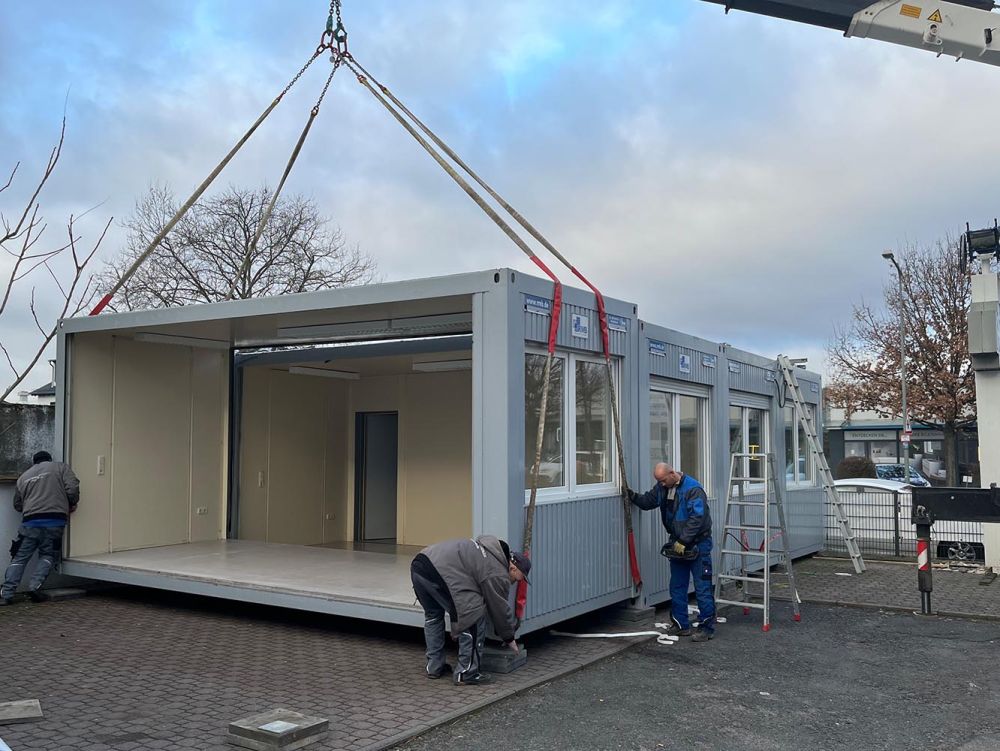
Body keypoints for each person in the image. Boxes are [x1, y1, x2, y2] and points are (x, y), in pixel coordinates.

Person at [410, 535, 530, 685]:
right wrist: (509, 637)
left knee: (433, 616)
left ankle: (434, 667)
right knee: (474, 617)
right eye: (517, 579)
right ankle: (467, 673)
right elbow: (498, 607)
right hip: (439, 572)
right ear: (513, 568)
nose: (514, 583)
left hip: (420, 565)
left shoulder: (487, 551)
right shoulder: (497, 571)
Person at [629, 462, 716, 642]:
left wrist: (683, 541)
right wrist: (631, 496)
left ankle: (706, 627)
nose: (660, 484)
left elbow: (697, 519)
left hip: (698, 545)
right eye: (658, 481)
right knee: (677, 586)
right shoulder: (663, 487)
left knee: (702, 587)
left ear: (671, 474)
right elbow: (648, 501)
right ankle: (680, 624)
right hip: (678, 544)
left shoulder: (693, 490)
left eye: (662, 480)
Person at [1, 451, 80, 605]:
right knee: (48, 555)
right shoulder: (60, 468)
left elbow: (17, 504)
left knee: (19, 557)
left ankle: (7, 594)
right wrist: (71, 503)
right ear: (49, 459)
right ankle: (34, 587)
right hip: (55, 521)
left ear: (34, 462)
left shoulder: (24, 476)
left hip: (30, 523)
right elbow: (72, 487)